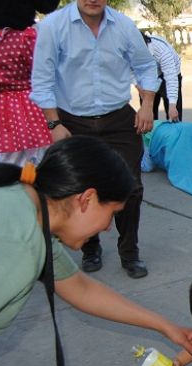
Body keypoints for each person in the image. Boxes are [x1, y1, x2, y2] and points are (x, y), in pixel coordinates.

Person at [0, 135, 192, 366]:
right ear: (87, 199)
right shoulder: (19, 246)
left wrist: (166, 326)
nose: (106, 228)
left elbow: (80, 288)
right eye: (112, 213)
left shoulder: (28, 208)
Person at [31, 0, 160, 279]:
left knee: (131, 188)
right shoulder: (53, 27)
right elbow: (42, 80)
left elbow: (146, 67)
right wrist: (54, 124)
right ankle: (90, 248)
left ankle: (130, 253)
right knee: (80, 190)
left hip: (119, 120)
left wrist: (147, 104)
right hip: (72, 120)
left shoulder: (124, 26)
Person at [0, 17, 52, 165]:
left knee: (8, 160)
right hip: (31, 105)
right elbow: (42, 70)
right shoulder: (23, 37)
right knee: (41, 155)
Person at [141, 32, 183, 122]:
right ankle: (150, 134)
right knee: (147, 117)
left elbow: (171, 77)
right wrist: (145, 101)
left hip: (169, 74)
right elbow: (134, 74)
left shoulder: (160, 49)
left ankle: (174, 133)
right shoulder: (130, 52)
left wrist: (172, 105)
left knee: (173, 115)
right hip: (149, 77)